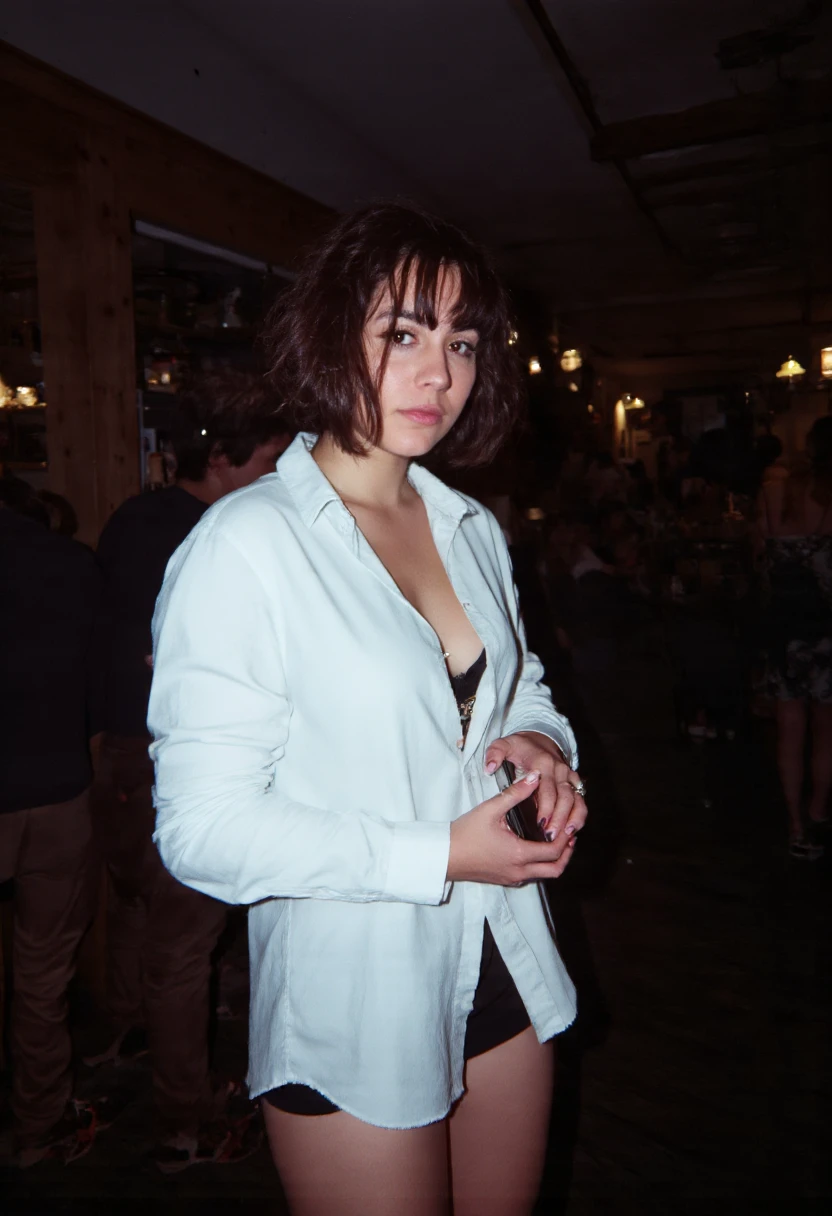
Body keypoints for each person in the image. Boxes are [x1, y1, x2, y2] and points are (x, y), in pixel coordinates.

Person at [149, 203, 587, 1215]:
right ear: (329, 333)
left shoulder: (467, 525)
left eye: (461, 343)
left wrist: (539, 743)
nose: (438, 375)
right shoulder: (247, 546)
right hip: (358, 994)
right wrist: (437, 853)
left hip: (505, 955)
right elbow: (202, 830)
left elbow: (520, 684)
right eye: (403, 333)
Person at [91, 370, 291, 1171]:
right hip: (175, 759)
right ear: (223, 458)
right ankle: (186, 1121)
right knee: (182, 944)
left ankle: (129, 1036)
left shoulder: (133, 517)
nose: (278, 471)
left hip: (119, 751)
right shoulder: (217, 536)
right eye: (269, 458)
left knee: (137, 911)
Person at [0, 481, 101, 1167]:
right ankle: (37, 1123)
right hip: (59, 785)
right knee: (42, 972)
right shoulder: (70, 563)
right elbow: (98, 678)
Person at [757, 416, 832, 859]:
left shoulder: (772, 495)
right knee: (826, 730)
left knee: (789, 731)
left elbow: (758, 560)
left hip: (783, 630)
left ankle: (795, 823)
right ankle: (818, 809)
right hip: (825, 631)